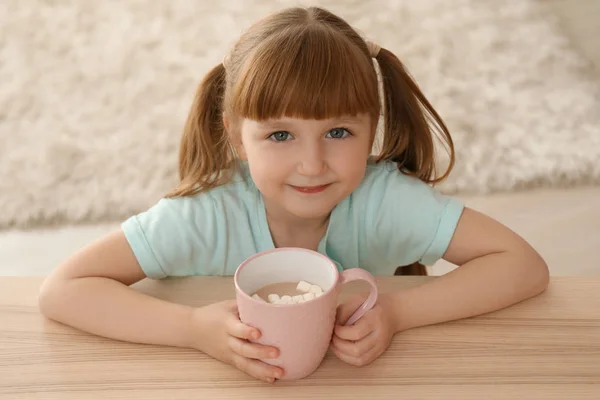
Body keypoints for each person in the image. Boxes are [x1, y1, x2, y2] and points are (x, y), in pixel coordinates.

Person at [38, 6, 549, 384]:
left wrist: (397, 313)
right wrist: (192, 327)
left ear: (372, 130)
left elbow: (522, 265)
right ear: (237, 136)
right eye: (280, 136)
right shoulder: (206, 217)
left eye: (339, 133)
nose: (311, 165)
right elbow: (63, 289)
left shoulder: (384, 202)